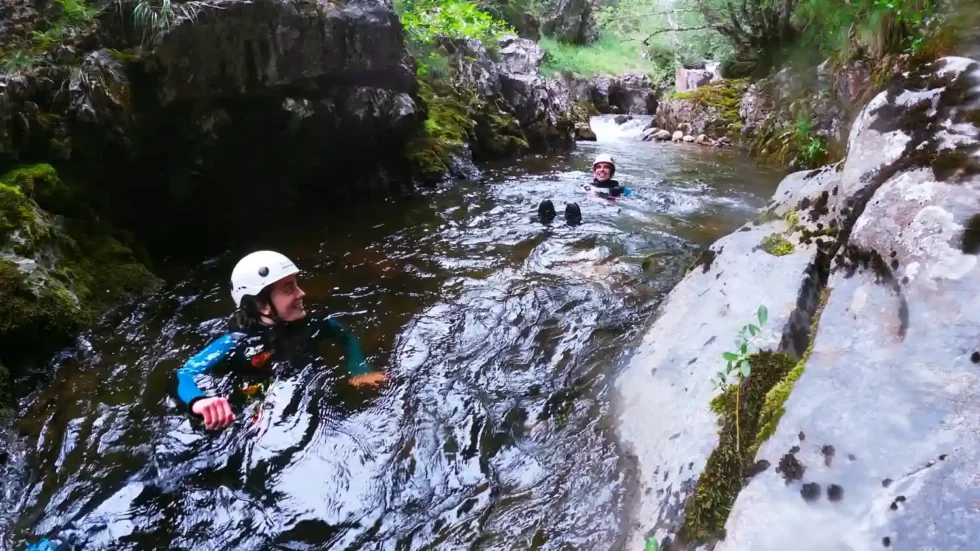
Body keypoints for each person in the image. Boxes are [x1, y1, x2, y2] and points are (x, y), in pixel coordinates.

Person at [174, 250, 388, 430]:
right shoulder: (234, 343)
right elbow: (184, 374)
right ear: (261, 304)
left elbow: (346, 337)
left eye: (296, 284)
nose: (301, 293)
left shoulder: (317, 325)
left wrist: (359, 369)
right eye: (288, 288)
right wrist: (199, 401)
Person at [536, 153, 631, 226]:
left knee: (576, 213)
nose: (602, 170)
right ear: (594, 172)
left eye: (606, 167)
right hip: (587, 208)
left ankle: (573, 224)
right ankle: (547, 221)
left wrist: (619, 199)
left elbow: (636, 198)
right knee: (568, 206)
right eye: (598, 167)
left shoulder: (620, 189)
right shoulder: (585, 186)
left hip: (604, 214)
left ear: (612, 172)